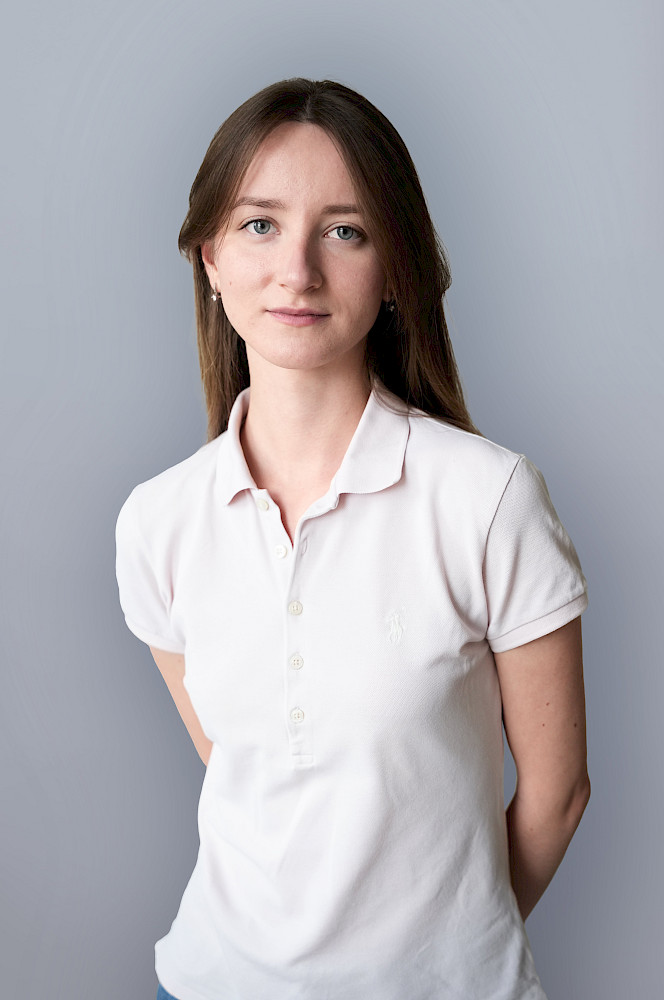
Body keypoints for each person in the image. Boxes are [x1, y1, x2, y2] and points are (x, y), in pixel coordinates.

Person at [115, 78, 590, 1000]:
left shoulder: (489, 499)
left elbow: (558, 795)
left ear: (395, 267)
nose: (297, 271)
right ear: (210, 256)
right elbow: (239, 766)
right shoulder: (157, 522)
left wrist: (441, 958)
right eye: (259, 224)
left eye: (345, 231)